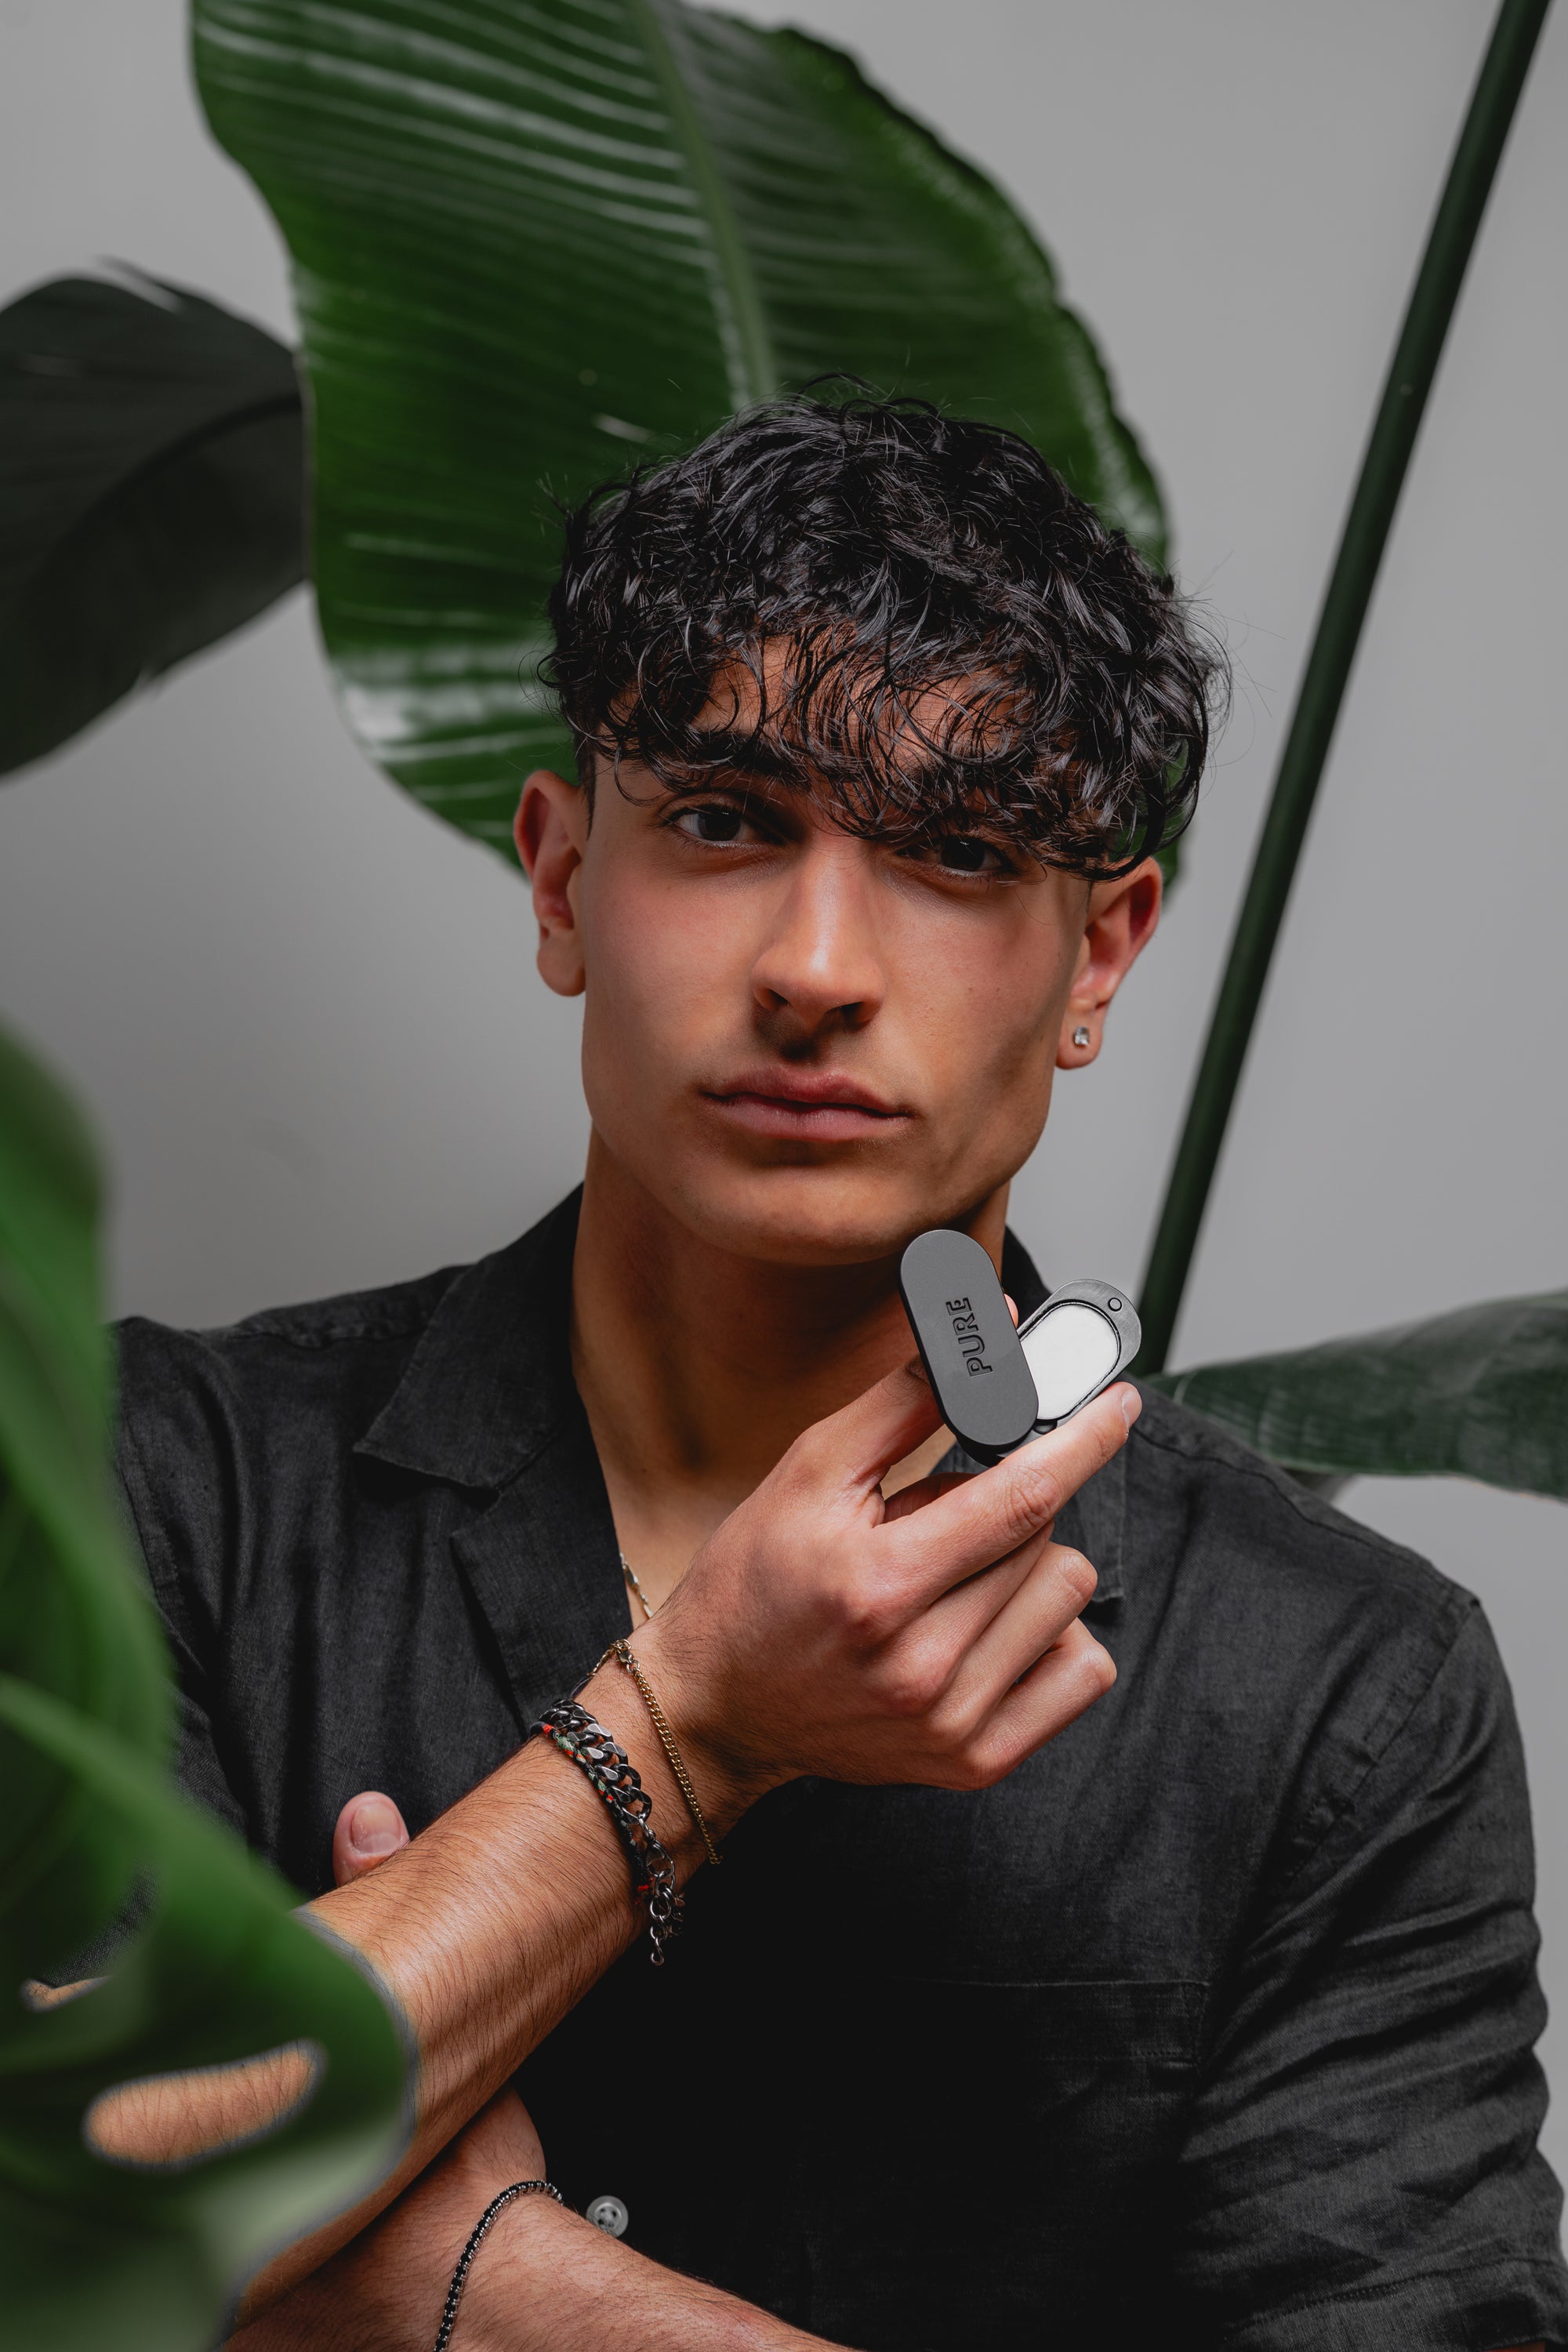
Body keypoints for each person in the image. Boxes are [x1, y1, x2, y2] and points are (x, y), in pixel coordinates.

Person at [111, 401, 1565, 2350]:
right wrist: (693, 1724)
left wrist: (506, 2296)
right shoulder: (158, 1479)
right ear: (559, 881)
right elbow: (59, 2197)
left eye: (957, 852)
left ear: (1099, 959)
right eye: (722, 820)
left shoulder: (1333, 1691)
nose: (814, 963)